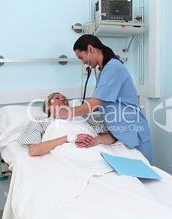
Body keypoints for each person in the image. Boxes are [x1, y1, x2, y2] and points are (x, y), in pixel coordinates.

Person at [55, 34, 154, 164]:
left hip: (132, 131)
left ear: (90, 49)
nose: (83, 62)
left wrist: (67, 113)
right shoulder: (105, 70)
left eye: (81, 57)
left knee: (145, 176)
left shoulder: (113, 68)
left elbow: (95, 103)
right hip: (120, 134)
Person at [17, 92, 116, 156]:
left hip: (94, 150)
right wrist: (69, 138)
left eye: (64, 98)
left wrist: (96, 140)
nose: (62, 99)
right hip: (67, 154)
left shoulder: (83, 116)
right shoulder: (40, 121)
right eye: (57, 98)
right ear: (47, 107)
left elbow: (112, 137)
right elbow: (34, 151)